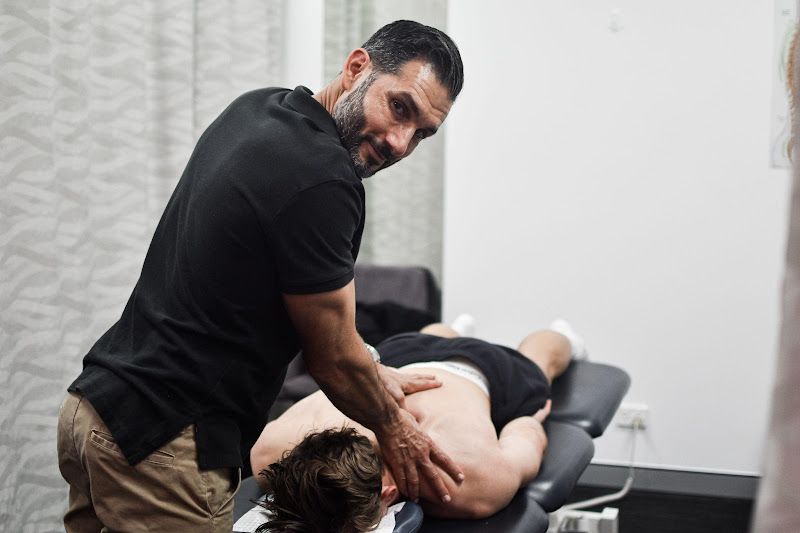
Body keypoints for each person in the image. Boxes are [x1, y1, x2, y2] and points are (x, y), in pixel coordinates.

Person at [57, 20, 465, 532]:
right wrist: (395, 430)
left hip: (93, 407)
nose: (400, 144)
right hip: (164, 445)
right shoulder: (325, 179)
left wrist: (371, 369)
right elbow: (332, 358)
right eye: (399, 108)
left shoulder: (257, 109)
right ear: (357, 67)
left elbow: (272, 304)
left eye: (422, 133)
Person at [249, 320, 588, 530]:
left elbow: (527, 436)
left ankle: (562, 334)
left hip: (480, 372)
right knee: (433, 336)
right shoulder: (269, 453)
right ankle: (450, 329)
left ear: (389, 494)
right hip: (398, 360)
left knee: (539, 361)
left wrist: (529, 416)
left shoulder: (464, 481)